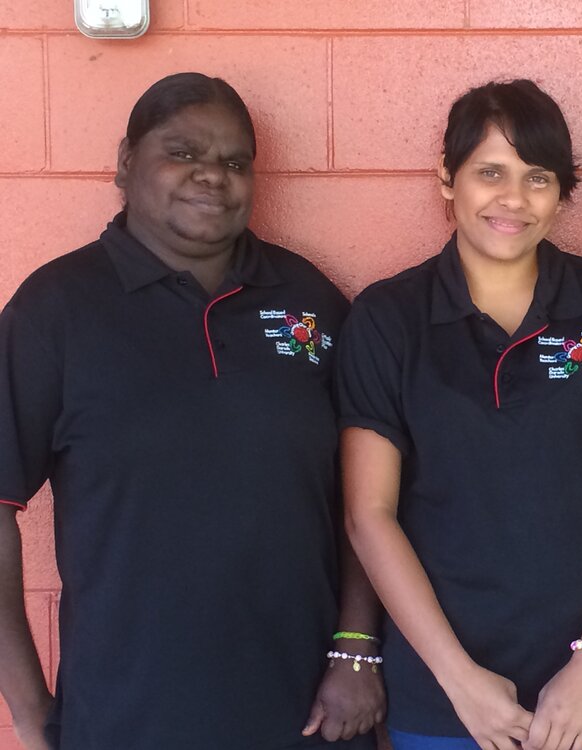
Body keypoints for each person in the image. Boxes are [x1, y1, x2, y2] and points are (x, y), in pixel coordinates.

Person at [0, 72, 384, 750]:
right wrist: (30, 712)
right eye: (183, 152)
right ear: (126, 161)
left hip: (308, 717)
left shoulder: (310, 299)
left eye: (236, 162)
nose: (212, 175)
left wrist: (357, 649)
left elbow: (367, 497)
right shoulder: (55, 309)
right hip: (127, 718)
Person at [336, 79, 582, 750]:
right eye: (490, 172)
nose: (514, 200)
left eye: (538, 178)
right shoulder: (389, 317)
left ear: (561, 192)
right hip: (443, 691)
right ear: (447, 178)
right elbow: (368, 514)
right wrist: (459, 680)